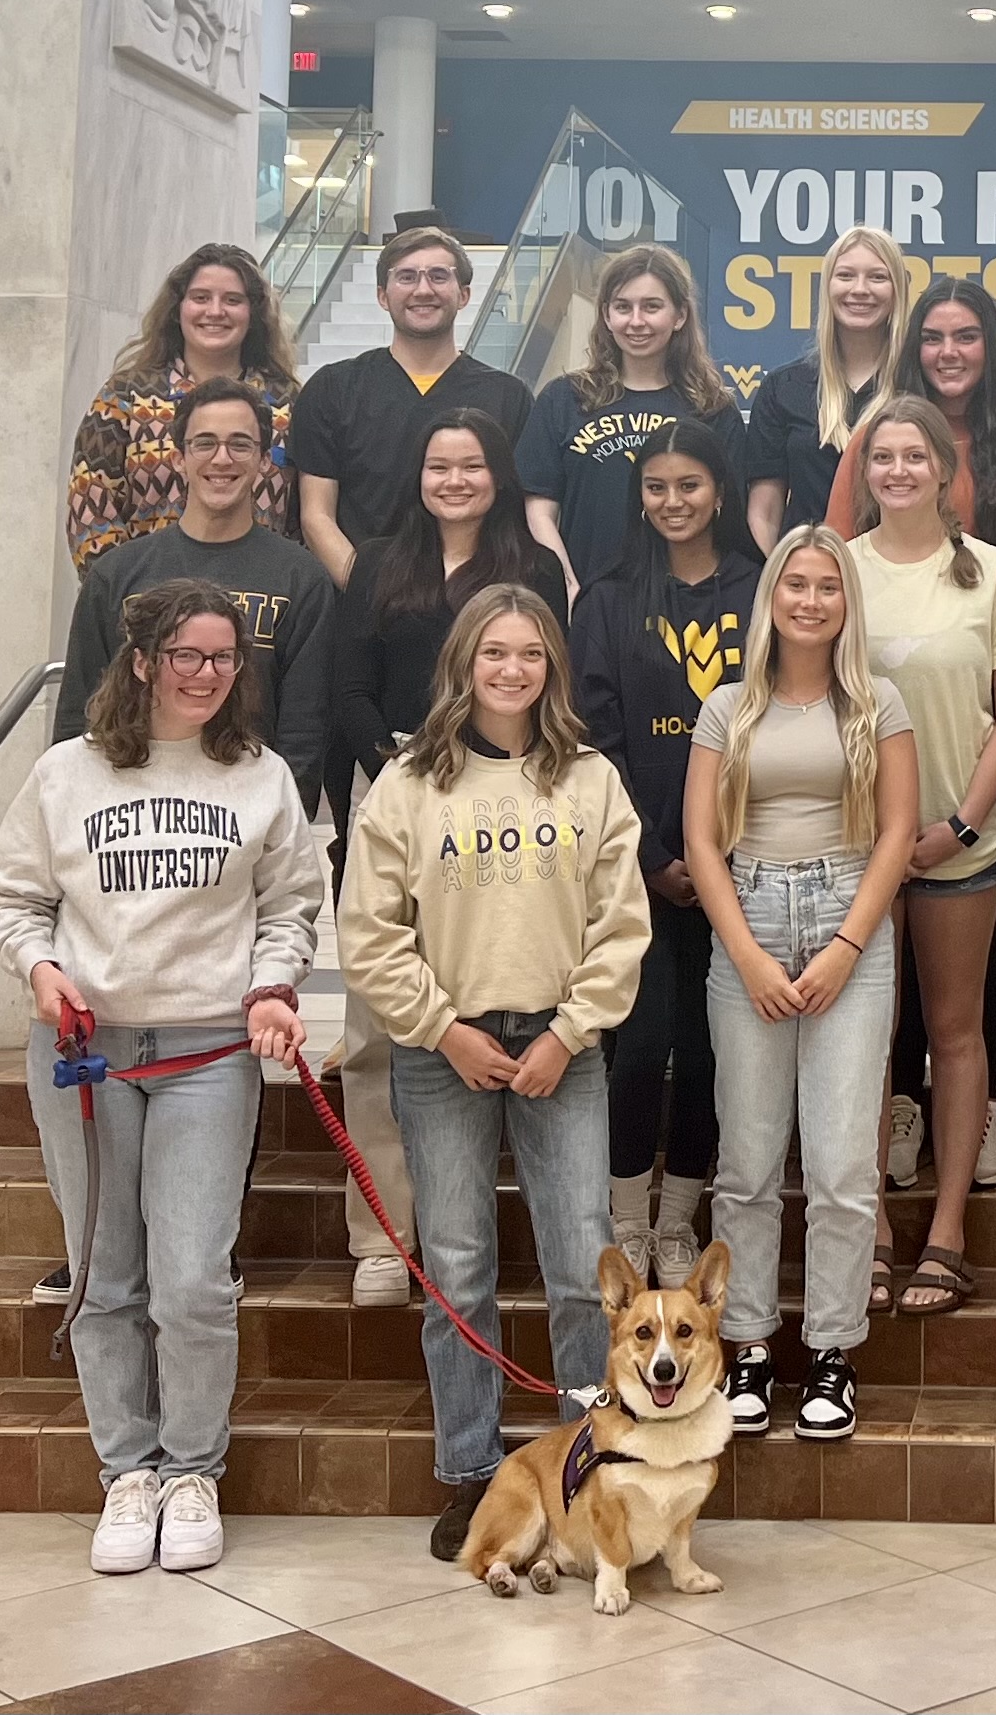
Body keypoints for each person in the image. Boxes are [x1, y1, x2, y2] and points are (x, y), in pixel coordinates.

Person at [0, 580, 326, 1576]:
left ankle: (191, 1471)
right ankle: (126, 1472)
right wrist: (43, 972)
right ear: (142, 661)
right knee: (101, 1276)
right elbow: (15, 898)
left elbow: (292, 904)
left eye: (225, 660)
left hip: (207, 1055)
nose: (209, 676)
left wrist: (271, 986)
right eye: (188, 657)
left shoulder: (261, 777)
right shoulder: (66, 773)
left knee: (192, 1281)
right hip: (82, 1058)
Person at [338, 586, 651, 1560]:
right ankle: (473, 1470)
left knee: (577, 1266)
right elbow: (370, 934)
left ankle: (584, 1466)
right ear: (464, 663)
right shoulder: (408, 781)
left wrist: (567, 1031)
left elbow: (622, 925)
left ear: (550, 666)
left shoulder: (589, 778)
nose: (511, 670)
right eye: (493, 653)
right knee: (459, 1267)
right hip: (448, 1052)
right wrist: (445, 1029)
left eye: (529, 654)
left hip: (564, 1046)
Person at [827, 275, 996, 1195]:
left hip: (993, 744)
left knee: (983, 958)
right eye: (932, 335)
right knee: (877, 977)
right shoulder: (872, 439)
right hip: (875, 779)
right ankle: (900, 1106)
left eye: (965, 335)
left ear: (991, 347)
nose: (947, 350)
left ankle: (969, 1113)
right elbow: (821, 589)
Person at [682, 526, 919, 1443]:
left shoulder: (878, 704)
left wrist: (845, 947)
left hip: (845, 925)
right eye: (795, 584)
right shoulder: (727, 704)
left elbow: (898, 832)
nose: (810, 600)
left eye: (827, 586)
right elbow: (702, 839)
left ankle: (829, 1351)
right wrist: (744, 951)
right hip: (747, 920)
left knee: (841, 1165)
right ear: (772, 596)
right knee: (744, 1161)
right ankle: (744, 1345)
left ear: (845, 602)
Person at [329, 409, 568, 1307]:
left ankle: (477, 1228)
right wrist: (406, 775)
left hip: (505, 808)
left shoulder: (531, 569)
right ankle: (386, 1236)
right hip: (393, 790)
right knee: (373, 1031)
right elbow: (347, 689)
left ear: (498, 474)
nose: (455, 479)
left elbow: (545, 686)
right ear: (417, 474)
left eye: (472, 464)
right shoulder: (378, 564)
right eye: (439, 464)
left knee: (495, 1004)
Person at [849, 396, 996, 1321]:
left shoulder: (991, 572)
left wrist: (962, 824)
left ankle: (950, 1229)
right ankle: (873, 1228)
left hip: (959, 842)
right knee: (867, 1041)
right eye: (880, 455)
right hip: (855, 848)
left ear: (941, 469)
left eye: (912, 454)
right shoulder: (833, 570)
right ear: (864, 471)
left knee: (957, 1034)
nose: (897, 470)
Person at [571, 421, 761, 1288]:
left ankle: (680, 1217)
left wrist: (715, 853)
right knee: (641, 1044)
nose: (673, 501)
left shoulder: (758, 592)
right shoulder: (606, 599)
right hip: (636, 864)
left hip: (738, 862)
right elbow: (596, 737)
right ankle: (624, 1218)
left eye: (690, 484)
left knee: (709, 1045)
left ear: (721, 490)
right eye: (656, 486)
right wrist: (653, 853)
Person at [59, 379, 332, 808]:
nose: (221, 459)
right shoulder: (117, 574)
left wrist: (278, 827)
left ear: (264, 461)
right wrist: (74, 810)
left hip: (246, 820)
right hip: (125, 814)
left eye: (240, 445)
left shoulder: (301, 579)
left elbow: (304, 734)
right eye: (204, 443)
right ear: (179, 458)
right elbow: (79, 716)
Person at [292, 227, 535, 590]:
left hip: (475, 612)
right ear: (382, 295)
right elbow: (317, 515)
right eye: (406, 277)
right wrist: (366, 592)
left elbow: (516, 517)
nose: (423, 290)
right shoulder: (333, 390)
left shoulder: (509, 397)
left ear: (464, 294)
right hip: (362, 612)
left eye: (439, 276)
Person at [522, 244, 742, 594]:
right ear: (607, 316)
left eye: (652, 306)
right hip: (584, 600)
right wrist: (567, 587)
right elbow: (539, 509)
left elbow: (729, 519)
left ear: (680, 315)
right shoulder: (564, 399)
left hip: (683, 605)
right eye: (623, 307)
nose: (636, 321)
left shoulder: (712, 409)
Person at [66, 244, 298, 570]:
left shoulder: (288, 404)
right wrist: (125, 597)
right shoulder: (125, 398)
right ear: (178, 308)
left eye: (232, 300)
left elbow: (301, 520)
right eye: (201, 298)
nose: (215, 311)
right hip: (146, 607)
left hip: (259, 604)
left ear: (254, 313)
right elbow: (90, 506)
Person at [739, 223, 914, 553]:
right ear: (827, 286)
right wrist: (777, 580)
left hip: (900, 579)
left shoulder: (920, 387)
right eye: (846, 275)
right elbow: (764, 514)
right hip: (810, 587)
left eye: (878, 277)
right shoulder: (783, 389)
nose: (860, 289)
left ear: (898, 291)